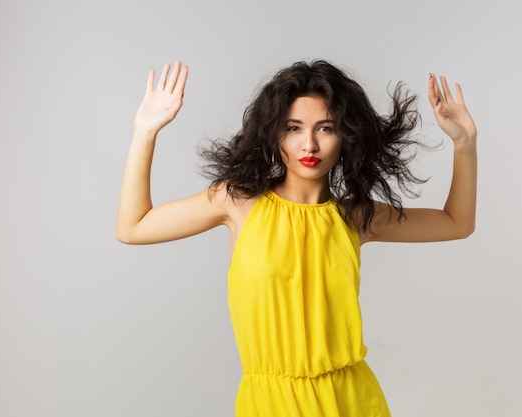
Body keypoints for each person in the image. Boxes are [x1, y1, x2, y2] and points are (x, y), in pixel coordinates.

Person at [116, 60, 477, 416]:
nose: (309, 144)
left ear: (346, 136)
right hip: (271, 403)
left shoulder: (355, 217)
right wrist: (145, 132)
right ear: (274, 134)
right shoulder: (237, 202)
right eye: (293, 128)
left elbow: (456, 223)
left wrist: (465, 143)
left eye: (325, 128)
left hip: (351, 401)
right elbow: (133, 227)